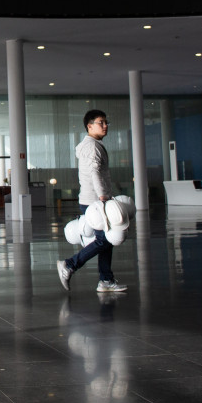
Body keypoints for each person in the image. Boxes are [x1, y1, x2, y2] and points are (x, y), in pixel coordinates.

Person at [58, 110, 128, 293]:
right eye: (100, 123)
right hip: (95, 201)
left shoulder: (92, 145)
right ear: (89, 126)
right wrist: (103, 196)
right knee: (104, 240)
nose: (105, 126)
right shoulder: (92, 146)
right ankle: (69, 265)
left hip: (93, 200)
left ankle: (106, 280)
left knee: (107, 240)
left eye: (106, 122)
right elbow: (95, 172)